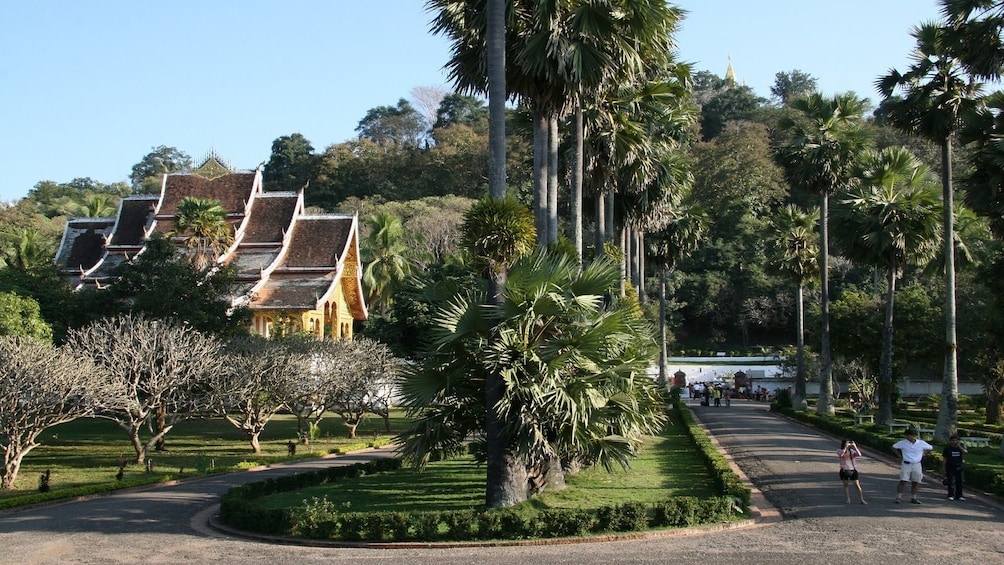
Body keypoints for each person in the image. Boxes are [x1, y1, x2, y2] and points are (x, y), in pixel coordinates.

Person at [892, 428, 933, 504]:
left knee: (915, 481)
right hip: (906, 463)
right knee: (903, 480)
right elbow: (894, 447)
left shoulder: (921, 443)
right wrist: (900, 456)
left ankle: (914, 498)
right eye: (906, 436)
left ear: (913, 436)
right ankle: (898, 497)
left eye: (909, 435)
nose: (907, 437)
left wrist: (924, 454)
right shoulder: (903, 443)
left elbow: (930, 448)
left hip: (916, 464)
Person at [838, 439, 867, 504]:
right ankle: (848, 499)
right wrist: (845, 448)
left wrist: (855, 446)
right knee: (846, 485)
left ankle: (862, 499)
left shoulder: (852, 451)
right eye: (847, 443)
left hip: (853, 470)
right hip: (844, 470)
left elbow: (859, 454)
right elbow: (841, 455)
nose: (848, 445)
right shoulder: (839, 451)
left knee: (857, 485)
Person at [942, 434, 968, 501]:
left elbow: (965, 452)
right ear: (950, 441)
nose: (954, 442)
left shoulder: (959, 448)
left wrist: (959, 446)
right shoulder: (947, 449)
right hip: (950, 466)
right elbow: (945, 459)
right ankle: (951, 495)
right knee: (950, 481)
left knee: (959, 481)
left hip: (959, 466)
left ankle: (959, 495)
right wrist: (943, 468)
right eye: (953, 440)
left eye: (956, 440)